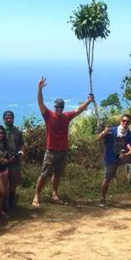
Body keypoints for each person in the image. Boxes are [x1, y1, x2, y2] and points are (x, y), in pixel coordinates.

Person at [31, 76, 94, 207]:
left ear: (63, 107)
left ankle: (54, 194)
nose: (59, 109)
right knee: (44, 174)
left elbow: (78, 110)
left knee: (58, 174)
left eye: (61, 107)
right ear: (54, 107)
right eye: (57, 107)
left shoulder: (67, 117)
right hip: (51, 150)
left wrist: (88, 102)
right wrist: (39, 89)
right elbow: (40, 103)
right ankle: (36, 195)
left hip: (63, 150)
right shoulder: (48, 115)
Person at [96, 113, 131, 207]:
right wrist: (103, 133)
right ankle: (102, 198)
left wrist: (126, 154)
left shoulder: (129, 134)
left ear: (129, 123)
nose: (125, 123)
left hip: (122, 157)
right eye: (124, 121)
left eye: (127, 122)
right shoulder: (111, 131)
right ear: (120, 121)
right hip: (110, 159)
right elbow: (97, 139)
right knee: (107, 180)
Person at [0, 111, 25, 210]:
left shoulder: (17, 131)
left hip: (14, 160)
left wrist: (22, 152)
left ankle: (10, 203)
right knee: (3, 186)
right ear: (3, 119)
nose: (9, 119)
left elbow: (22, 144)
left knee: (14, 183)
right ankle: (2, 206)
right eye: (6, 118)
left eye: (10, 117)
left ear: (13, 118)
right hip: (1, 162)